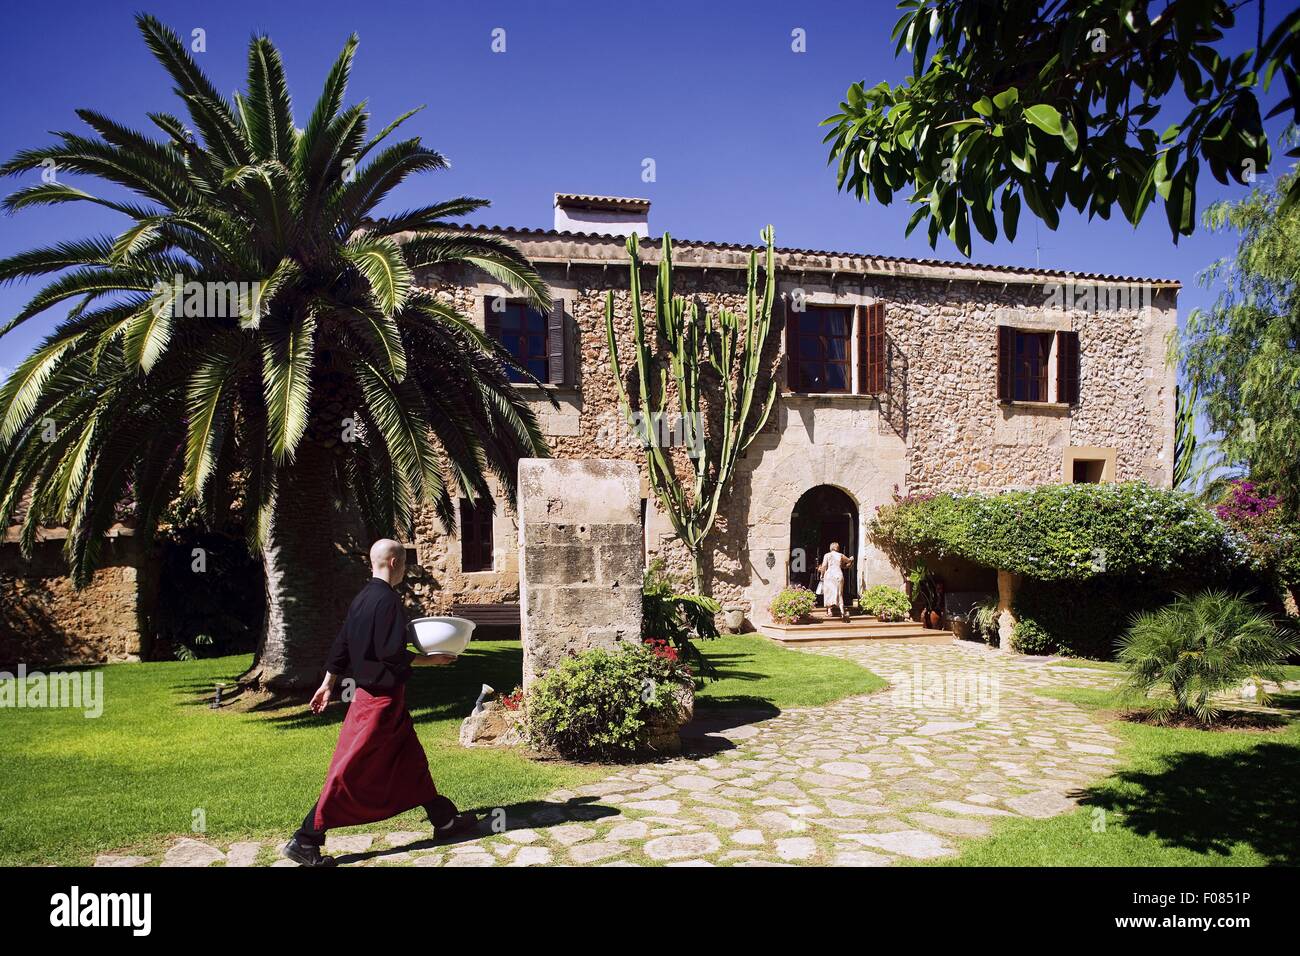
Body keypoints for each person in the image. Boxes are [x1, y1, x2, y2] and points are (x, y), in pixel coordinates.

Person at [281, 539, 477, 867]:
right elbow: (392, 655)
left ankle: (444, 820)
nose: (404, 569)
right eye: (403, 562)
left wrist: (327, 684)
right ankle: (306, 838)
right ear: (392, 562)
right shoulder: (386, 601)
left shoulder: (361, 599)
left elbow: (342, 643)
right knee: (350, 771)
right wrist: (435, 660)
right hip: (377, 706)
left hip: (379, 701)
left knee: (412, 762)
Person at [818, 542, 855, 623]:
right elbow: (847, 563)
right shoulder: (841, 555)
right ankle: (842, 612)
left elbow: (824, 566)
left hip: (830, 575)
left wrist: (822, 574)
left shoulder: (827, 555)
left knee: (828, 592)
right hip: (838, 574)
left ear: (831, 547)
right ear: (837, 548)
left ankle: (829, 611)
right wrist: (851, 560)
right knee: (840, 593)